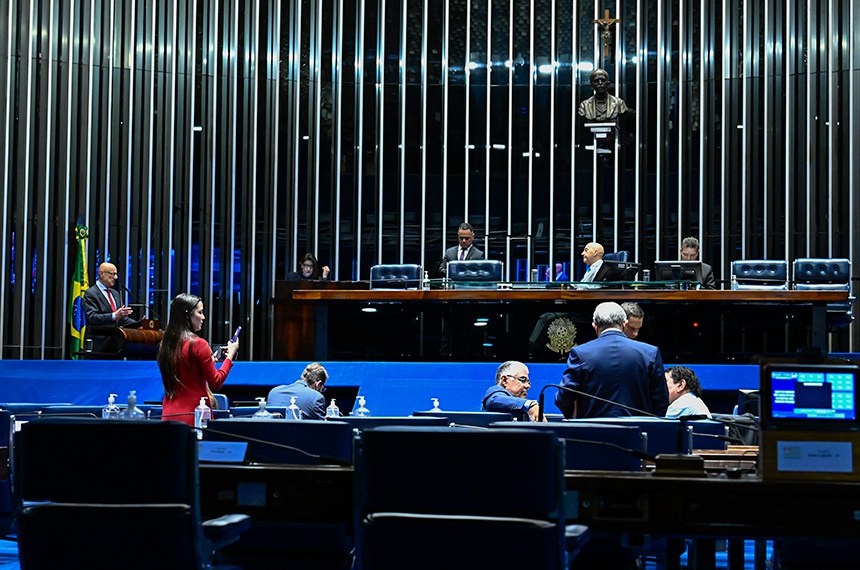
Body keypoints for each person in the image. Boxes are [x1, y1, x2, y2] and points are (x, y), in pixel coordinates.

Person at [555, 302, 668, 419]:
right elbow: (661, 401)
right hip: (638, 432)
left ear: (595, 326)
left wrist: (577, 419)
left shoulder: (580, 353)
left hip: (592, 432)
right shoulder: (650, 353)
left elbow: (564, 397)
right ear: (624, 324)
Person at [158, 293, 238, 426]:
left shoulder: (166, 343)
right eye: (200, 313)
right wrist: (229, 357)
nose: (203, 317)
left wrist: (210, 360)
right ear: (187, 315)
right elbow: (216, 383)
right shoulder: (199, 344)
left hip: (168, 416)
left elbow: (185, 370)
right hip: (194, 417)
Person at [82, 262, 136, 352]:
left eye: (116, 274)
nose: (116, 277)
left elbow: (122, 319)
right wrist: (114, 316)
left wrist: (139, 324)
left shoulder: (115, 294)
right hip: (99, 346)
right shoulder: (90, 293)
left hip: (117, 346)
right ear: (101, 273)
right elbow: (92, 317)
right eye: (112, 274)